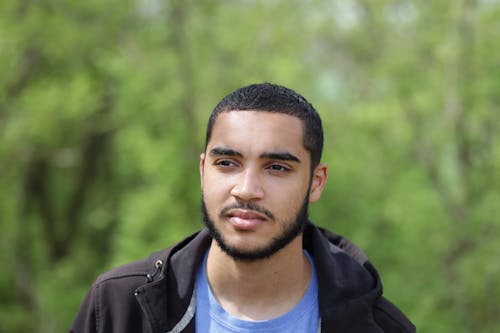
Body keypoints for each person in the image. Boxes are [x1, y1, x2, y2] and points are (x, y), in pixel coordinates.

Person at [70, 83, 415, 332]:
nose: (247, 189)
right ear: (202, 170)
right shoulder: (118, 309)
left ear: (316, 182)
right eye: (227, 163)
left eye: (277, 167)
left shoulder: (380, 326)